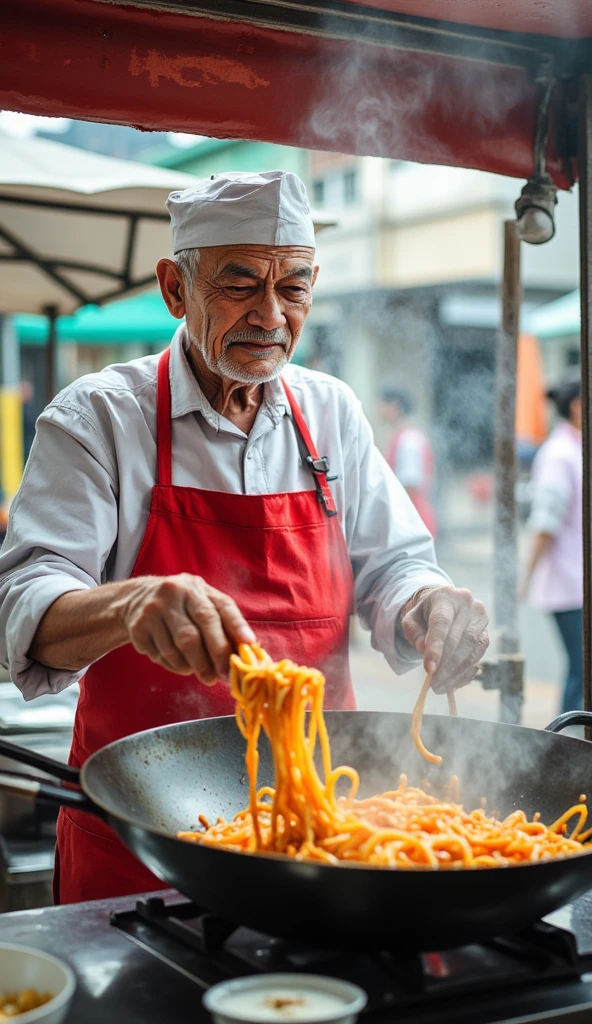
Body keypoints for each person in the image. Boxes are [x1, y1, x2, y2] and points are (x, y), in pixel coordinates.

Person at [0, 170, 489, 904]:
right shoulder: (99, 418)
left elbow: (394, 566)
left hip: (321, 837)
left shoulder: (331, 413)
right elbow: (25, 600)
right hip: (142, 840)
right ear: (174, 288)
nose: (270, 314)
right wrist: (130, 606)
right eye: (240, 285)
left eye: (292, 288)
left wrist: (428, 606)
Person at [522, 372, 583, 713]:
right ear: (576, 406)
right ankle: (567, 745)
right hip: (568, 581)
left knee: (582, 670)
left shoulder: (572, 447)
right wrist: (526, 577)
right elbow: (545, 522)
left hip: (576, 580)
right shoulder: (560, 453)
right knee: (582, 670)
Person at [380, 387, 437, 536]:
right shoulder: (403, 436)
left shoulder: (408, 439)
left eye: (382, 404)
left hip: (412, 522)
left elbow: (410, 484)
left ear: (394, 406)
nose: (379, 409)